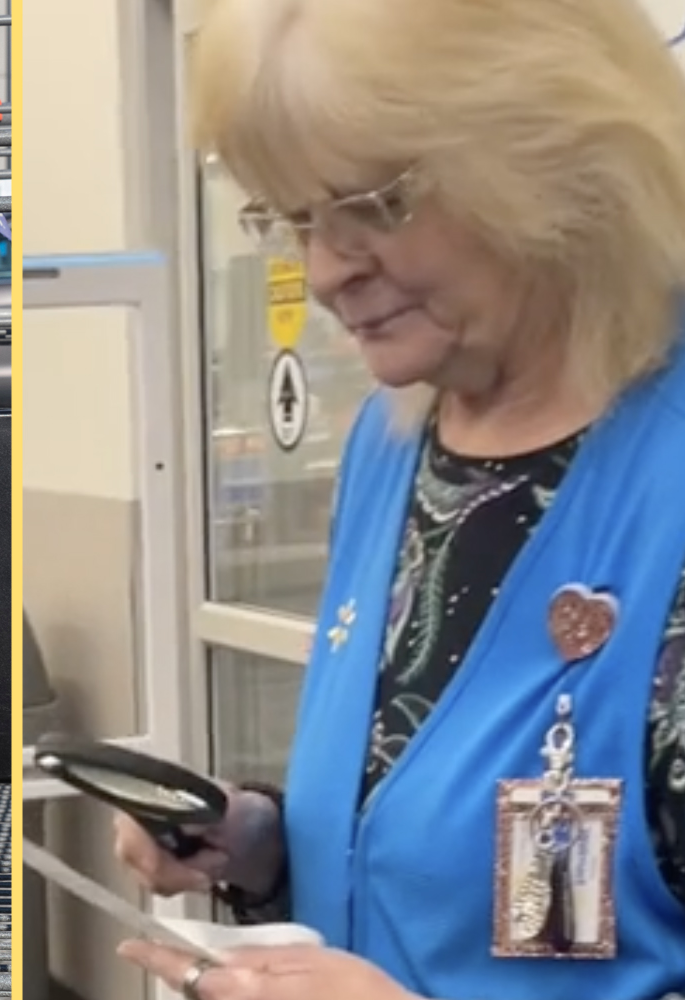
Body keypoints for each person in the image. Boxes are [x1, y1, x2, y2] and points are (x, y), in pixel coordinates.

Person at [112, 2, 685, 1000]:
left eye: (373, 205)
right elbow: (424, 839)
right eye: (290, 215)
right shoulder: (395, 446)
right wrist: (259, 846)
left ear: (544, 156)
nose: (323, 270)